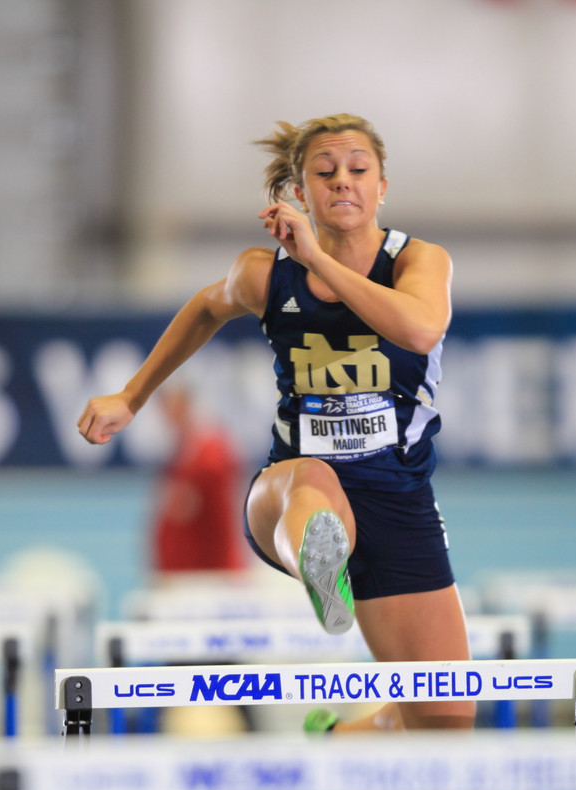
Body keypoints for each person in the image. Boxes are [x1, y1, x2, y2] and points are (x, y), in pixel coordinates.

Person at [77, 113, 475, 751]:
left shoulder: (418, 262)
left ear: (382, 187)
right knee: (315, 484)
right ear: (300, 189)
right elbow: (206, 307)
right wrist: (132, 395)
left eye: (357, 170)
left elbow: (420, 330)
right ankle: (322, 565)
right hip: (291, 489)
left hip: (398, 498)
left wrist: (317, 256)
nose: (342, 182)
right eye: (324, 173)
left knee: (446, 729)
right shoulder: (268, 275)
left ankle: (336, 739)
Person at [150, 384, 246, 574]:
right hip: (187, 573)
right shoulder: (182, 453)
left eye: (171, 406)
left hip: (209, 575)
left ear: (185, 405)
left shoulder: (209, 453)